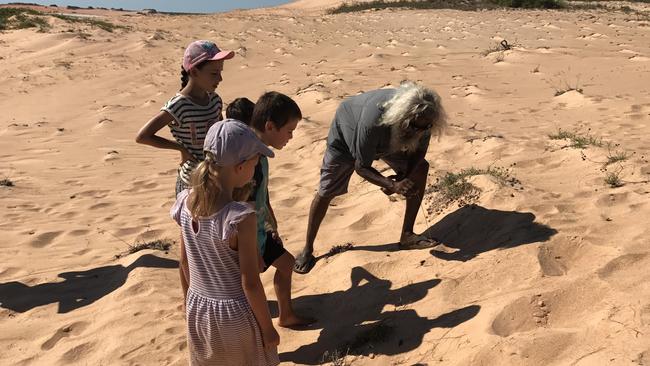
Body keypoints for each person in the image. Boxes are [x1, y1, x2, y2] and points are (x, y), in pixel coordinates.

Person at [294, 81, 447, 274]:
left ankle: (407, 235)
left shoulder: (424, 119)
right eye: (415, 127)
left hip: (387, 140)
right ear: (405, 118)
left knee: (420, 169)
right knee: (326, 191)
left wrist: (404, 178)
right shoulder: (373, 120)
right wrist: (391, 184)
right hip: (346, 137)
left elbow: (419, 155)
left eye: (424, 129)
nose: (419, 132)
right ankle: (307, 249)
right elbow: (361, 166)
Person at [170, 119, 280, 365]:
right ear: (240, 167)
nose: (255, 170)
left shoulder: (186, 203)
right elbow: (250, 283)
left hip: (198, 309)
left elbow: (184, 263)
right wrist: (267, 328)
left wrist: (189, 303)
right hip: (235, 315)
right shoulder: (240, 217)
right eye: (254, 164)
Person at [135, 40, 234, 299]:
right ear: (193, 71)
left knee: (216, 243)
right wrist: (179, 148)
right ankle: (189, 299)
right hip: (191, 183)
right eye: (214, 73)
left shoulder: (215, 100)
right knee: (189, 246)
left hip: (216, 178)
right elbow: (143, 135)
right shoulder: (178, 104)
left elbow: (220, 134)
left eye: (221, 72)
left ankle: (214, 293)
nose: (219, 78)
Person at [247, 91, 314, 327]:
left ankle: (285, 315)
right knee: (248, 285)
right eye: (289, 131)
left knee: (286, 264)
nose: (291, 137)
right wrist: (253, 247)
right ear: (270, 126)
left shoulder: (261, 153)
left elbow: (262, 195)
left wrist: (270, 223)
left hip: (261, 230)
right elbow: (244, 205)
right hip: (247, 238)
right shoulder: (249, 158)